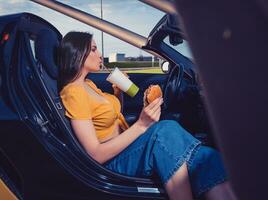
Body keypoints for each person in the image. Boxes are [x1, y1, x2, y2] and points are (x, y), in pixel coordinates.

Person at [58, 31, 237, 200]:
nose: (100, 54)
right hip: (112, 163)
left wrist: (118, 93)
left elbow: (109, 118)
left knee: (207, 158)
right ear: (78, 54)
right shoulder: (74, 92)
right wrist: (141, 125)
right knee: (164, 132)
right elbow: (95, 154)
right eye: (94, 49)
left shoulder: (88, 84)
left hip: (125, 148)